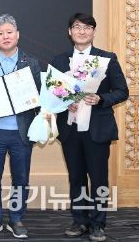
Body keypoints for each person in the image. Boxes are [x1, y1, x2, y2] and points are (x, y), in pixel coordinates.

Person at [52, 13, 128, 242]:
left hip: (97, 128)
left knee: (98, 179)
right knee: (76, 178)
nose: (82, 31)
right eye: (77, 27)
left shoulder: (107, 58)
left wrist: (101, 98)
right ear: (70, 32)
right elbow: (52, 95)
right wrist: (64, 103)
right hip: (70, 129)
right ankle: (79, 221)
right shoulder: (59, 60)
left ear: (94, 32)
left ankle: (98, 224)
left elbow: (121, 91)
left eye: (87, 27)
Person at [0, 14, 41, 239]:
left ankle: (16, 219)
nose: (5, 37)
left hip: (22, 131)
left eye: (9, 32)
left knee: (21, 179)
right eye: (0, 34)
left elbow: (39, 95)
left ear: (17, 35)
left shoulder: (31, 62)